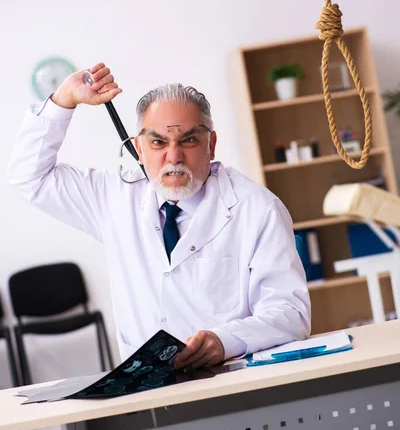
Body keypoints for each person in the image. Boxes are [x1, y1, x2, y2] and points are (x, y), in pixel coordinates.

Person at [7, 63, 311, 369]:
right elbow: (29, 177)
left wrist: (225, 340)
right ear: (139, 148)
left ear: (212, 144)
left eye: (189, 140)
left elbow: (289, 312)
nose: (174, 156)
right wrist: (62, 101)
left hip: (233, 380)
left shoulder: (257, 209)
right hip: (146, 387)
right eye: (158, 142)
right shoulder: (113, 198)